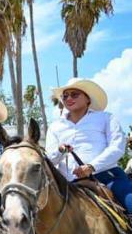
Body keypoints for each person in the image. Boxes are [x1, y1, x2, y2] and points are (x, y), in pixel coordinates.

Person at [45, 78, 130, 211]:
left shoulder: (106, 118)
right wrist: (60, 151)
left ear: (88, 99)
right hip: (68, 185)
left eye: (74, 94)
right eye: (65, 96)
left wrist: (91, 167)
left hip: (106, 177)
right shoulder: (55, 127)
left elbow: (117, 147)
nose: (68, 98)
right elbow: (48, 159)